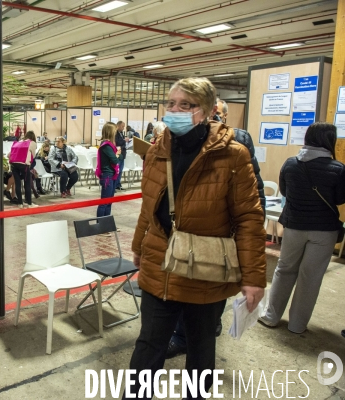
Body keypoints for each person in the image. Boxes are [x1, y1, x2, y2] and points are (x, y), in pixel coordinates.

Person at [126, 77, 266, 399]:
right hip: (160, 263)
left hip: (206, 269)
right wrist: (138, 246)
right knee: (148, 345)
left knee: (201, 348)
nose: (174, 110)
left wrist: (254, 277)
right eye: (171, 104)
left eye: (185, 105)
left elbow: (248, 218)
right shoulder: (158, 150)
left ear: (205, 110)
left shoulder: (233, 155)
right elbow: (149, 206)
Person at [165, 97, 267, 359]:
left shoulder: (238, 141)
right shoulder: (181, 139)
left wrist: (253, 224)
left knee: (213, 284)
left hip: (220, 235)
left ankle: (207, 327)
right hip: (185, 232)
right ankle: (183, 335)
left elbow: (254, 190)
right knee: (184, 283)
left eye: (216, 113)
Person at [258, 122, 345, 334]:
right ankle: (297, 325)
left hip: (294, 226)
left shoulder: (290, 164)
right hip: (324, 231)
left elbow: (284, 191)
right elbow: (340, 199)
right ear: (329, 141)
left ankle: (271, 317)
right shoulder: (338, 169)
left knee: (284, 269)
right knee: (311, 277)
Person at [95, 122, 120, 217]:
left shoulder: (110, 145)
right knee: (104, 202)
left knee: (109, 201)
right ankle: (101, 223)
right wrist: (118, 155)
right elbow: (115, 160)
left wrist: (117, 155)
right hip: (107, 175)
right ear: (110, 132)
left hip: (112, 174)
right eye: (114, 131)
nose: (116, 133)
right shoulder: (106, 146)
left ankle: (107, 222)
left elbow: (117, 158)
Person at [9, 130, 38, 208]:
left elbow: (9, 155)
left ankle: (20, 204)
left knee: (18, 183)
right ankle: (29, 203)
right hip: (24, 165)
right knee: (27, 183)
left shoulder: (18, 142)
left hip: (14, 164)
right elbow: (33, 156)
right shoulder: (32, 143)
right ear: (33, 137)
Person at [115, 121, 127, 191]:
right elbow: (117, 142)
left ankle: (118, 184)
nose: (123, 128)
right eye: (122, 126)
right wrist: (124, 140)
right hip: (118, 153)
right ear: (118, 126)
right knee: (117, 170)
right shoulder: (115, 133)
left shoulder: (121, 133)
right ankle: (115, 184)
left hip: (122, 153)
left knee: (121, 170)